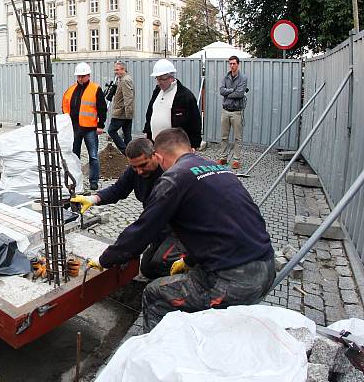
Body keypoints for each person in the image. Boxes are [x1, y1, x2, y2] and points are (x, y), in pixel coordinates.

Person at [93, 128, 275, 332]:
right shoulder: (215, 167)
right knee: (157, 269)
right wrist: (189, 260)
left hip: (235, 282)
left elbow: (143, 230)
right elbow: (216, 227)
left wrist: (105, 260)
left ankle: (160, 356)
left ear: (158, 156)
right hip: (266, 268)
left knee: (155, 295)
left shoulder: (174, 178)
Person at [70, 137, 185, 279]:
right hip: (158, 225)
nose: (139, 171)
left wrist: (106, 259)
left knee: (160, 263)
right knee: (147, 268)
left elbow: (144, 227)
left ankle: (187, 281)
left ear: (155, 155)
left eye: (143, 165)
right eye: (134, 167)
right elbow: (118, 189)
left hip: (180, 230)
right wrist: (92, 199)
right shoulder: (135, 169)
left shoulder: (168, 176)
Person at [61, 62, 107, 191]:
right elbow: (64, 106)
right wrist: (66, 123)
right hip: (74, 129)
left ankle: (94, 181)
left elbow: (102, 109)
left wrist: (100, 125)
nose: (80, 78)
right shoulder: (70, 90)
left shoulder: (95, 89)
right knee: (74, 155)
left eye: (83, 76)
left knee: (93, 156)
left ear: (88, 75)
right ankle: (75, 179)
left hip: (90, 129)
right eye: (79, 76)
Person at [142, 59, 202, 149]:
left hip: (175, 146)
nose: (159, 82)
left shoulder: (185, 95)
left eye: (162, 79)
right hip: (155, 144)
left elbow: (195, 122)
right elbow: (150, 112)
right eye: (157, 79)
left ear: (171, 78)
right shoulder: (157, 91)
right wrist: (147, 131)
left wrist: (193, 145)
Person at [219, 55, 248, 169]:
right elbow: (221, 90)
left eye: (234, 63)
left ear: (238, 64)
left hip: (237, 112)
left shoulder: (243, 78)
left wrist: (228, 93)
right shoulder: (226, 77)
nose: (232, 66)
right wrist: (232, 90)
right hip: (225, 110)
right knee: (224, 137)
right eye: (230, 63)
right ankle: (223, 158)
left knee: (237, 137)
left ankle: (236, 160)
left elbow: (240, 94)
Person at [106, 61, 134, 153]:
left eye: (117, 70)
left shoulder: (125, 80)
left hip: (121, 113)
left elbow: (128, 98)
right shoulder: (122, 79)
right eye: (115, 70)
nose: (115, 72)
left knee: (111, 131)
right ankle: (130, 154)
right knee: (127, 135)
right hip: (125, 112)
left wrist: (128, 114)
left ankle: (124, 151)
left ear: (123, 69)